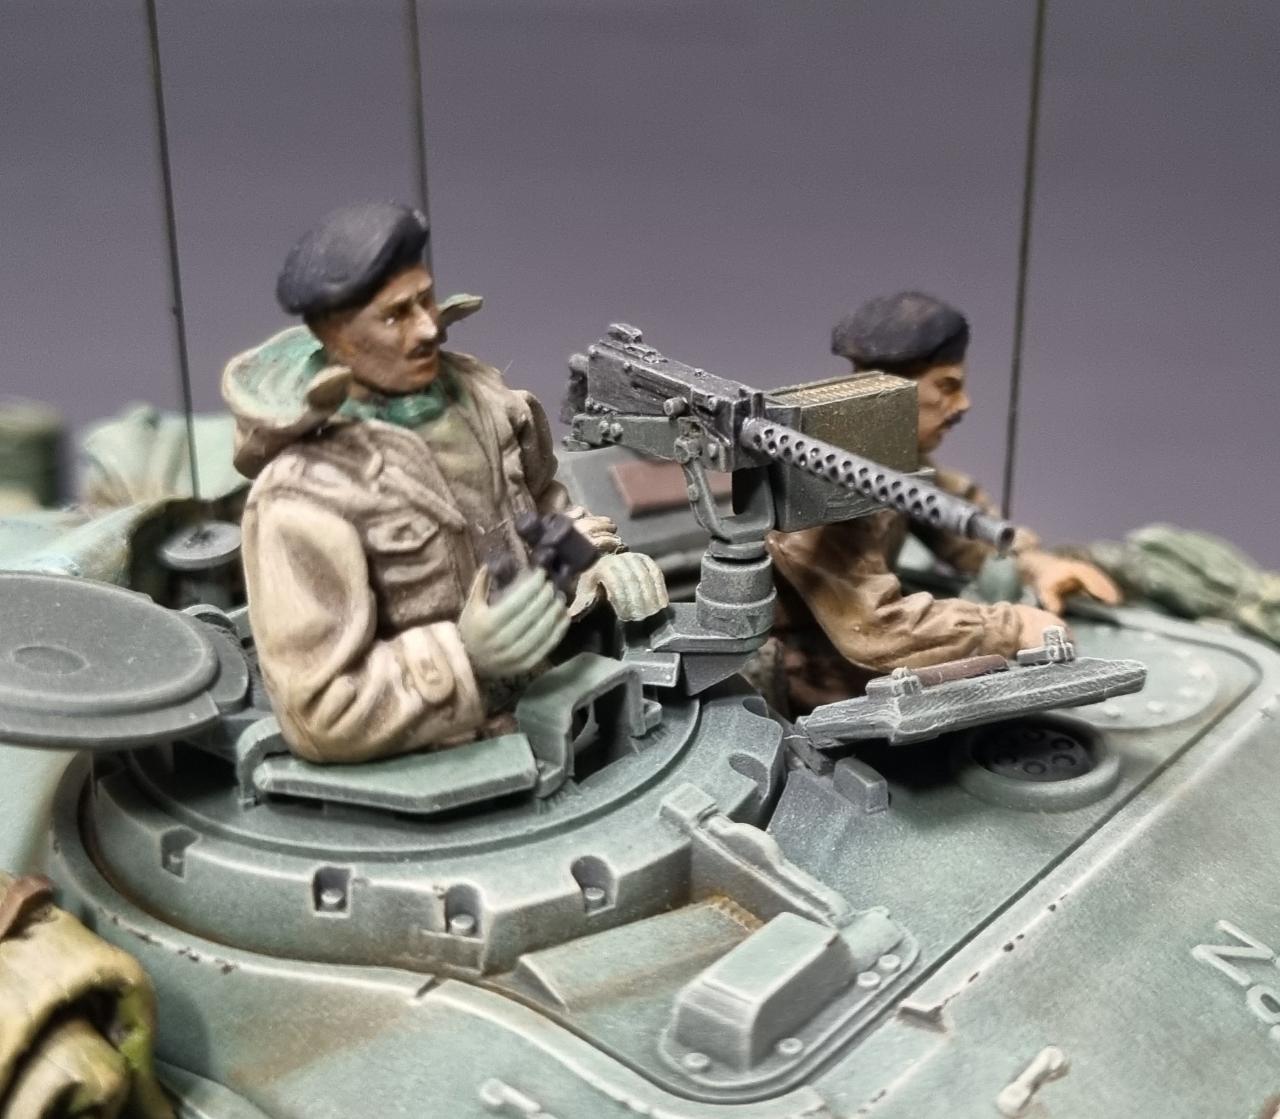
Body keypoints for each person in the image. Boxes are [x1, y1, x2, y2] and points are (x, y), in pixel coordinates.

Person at [223, 202, 666, 763]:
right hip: (432, 770)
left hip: (557, 713)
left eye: (425, 299)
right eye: (395, 316)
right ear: (338, 337)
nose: (430, 327)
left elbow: (544, 511)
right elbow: (317, 714)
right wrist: (465, 656)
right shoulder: (303, 497)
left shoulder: (486, 402)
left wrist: (592, 563)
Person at [766, 290, 1120, 713]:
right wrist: (1013, 627)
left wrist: (1035, 564)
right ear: (890, 394)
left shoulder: (885, 457)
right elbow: (876, 631)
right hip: (815, 677)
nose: (963, 404)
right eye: (947, 387)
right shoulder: (817, 492)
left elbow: (956, 520)